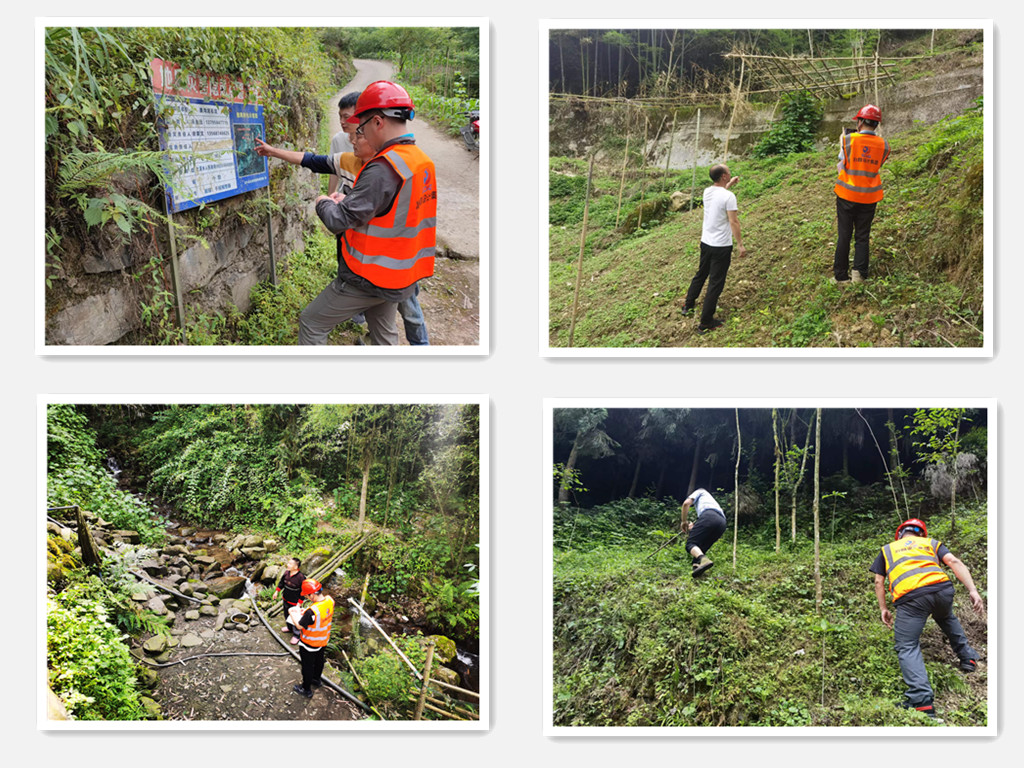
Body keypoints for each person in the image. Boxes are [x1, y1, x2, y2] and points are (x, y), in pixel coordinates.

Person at [256, 80, 436, 346]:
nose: (354, 136)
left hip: (370, 275)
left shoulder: (382, 168)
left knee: (312, 321)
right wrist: (350, 199)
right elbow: (392, 211)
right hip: (402, 274)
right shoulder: (420, 161)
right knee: (384, 335)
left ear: (377, 122)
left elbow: (338, 220)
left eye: (359, 129)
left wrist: (322, 200)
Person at [869, 518, 984, 718]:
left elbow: (879, 582)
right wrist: (972, 590)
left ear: (900, 534)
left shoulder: (887, 549)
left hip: (912, 598)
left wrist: (883, 608)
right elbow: (953, 561)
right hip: (942, 590)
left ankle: (921, 700)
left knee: (907, 645)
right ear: (921, 533)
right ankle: (968, 658)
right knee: (946, 617)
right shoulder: (930, 543)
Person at [682, 164, 748, 333]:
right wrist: (740, 244)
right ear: (724, 176)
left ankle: (688, 305)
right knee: (715, 283)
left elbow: (720, 195)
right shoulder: (729, 197)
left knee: (701, 273)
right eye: (728, 171)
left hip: (706, 242)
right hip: (721, 246)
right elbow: (733, 221)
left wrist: (730, 185)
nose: (730, 172)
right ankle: (705, 322)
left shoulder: (707, 191)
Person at [833, 104, 891, 284]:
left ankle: (841, 277)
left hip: (846, 195)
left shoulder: (848, 140)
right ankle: (859, 275)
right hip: (869, 197)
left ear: (860, 122)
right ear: (876, 124)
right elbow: (875, 165)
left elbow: (842, 164)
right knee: (862, 235)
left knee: (844, 234)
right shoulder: (884, 145)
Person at [290, 579, 335, 698]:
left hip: (309, 643)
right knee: (319, 661)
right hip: (323, 640)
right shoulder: (330, 600)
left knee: (307, 666)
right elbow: (322, 612)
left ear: (312, 594)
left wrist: (291, 613)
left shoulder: (312, 612)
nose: (307, 598)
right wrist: (304, 611)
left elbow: (299, 625)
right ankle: (316, 680)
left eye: (307, 595)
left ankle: (306, 689)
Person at [681, 488, 728, 578]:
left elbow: (686, 504)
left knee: (691, 544)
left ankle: (703, 560)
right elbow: (708, 520)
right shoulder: (710, 502)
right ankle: (697, 570)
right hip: (722, 523)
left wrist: (684, 522)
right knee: (700, 548)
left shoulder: (700, 491)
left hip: (708, 517)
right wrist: (694, 526)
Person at [327, 91, 360, 197]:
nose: (342, 121)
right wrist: (329, 199)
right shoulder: (338, 139)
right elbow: (333, 171)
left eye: (346, 117)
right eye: (340, 116)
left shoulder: (373, 143)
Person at [274, 557, 305, 645]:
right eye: (288, 563)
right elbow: (281, 583)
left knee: (295, 618)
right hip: (286, 598)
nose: (288, 565)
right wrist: (276, 592)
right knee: (286, 614)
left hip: (295, 602)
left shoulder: (301, 577)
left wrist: (299, 603)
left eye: (290, 564)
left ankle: (296, 635)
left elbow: (303, 592)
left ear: (296, 566)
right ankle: (289, 628)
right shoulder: (286, 573)